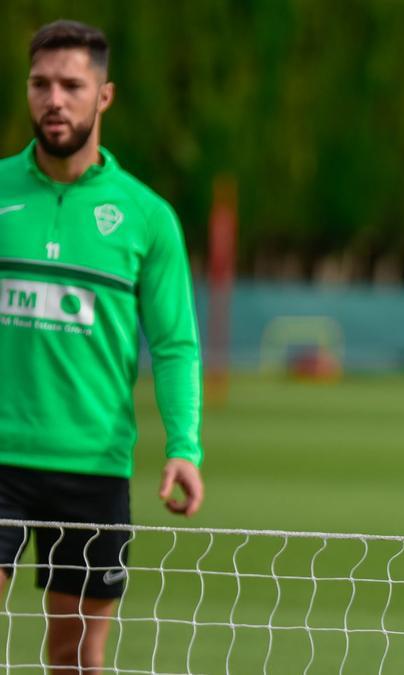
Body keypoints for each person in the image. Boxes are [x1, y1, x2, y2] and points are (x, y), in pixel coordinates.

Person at [0, 20, 204, 672]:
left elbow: (174, 343)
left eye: (70, 85)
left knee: (78, 658)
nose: (53, 99)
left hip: (93, 469)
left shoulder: (147, 216)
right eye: (40, 84)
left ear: (104, 96)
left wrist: (184, 447)